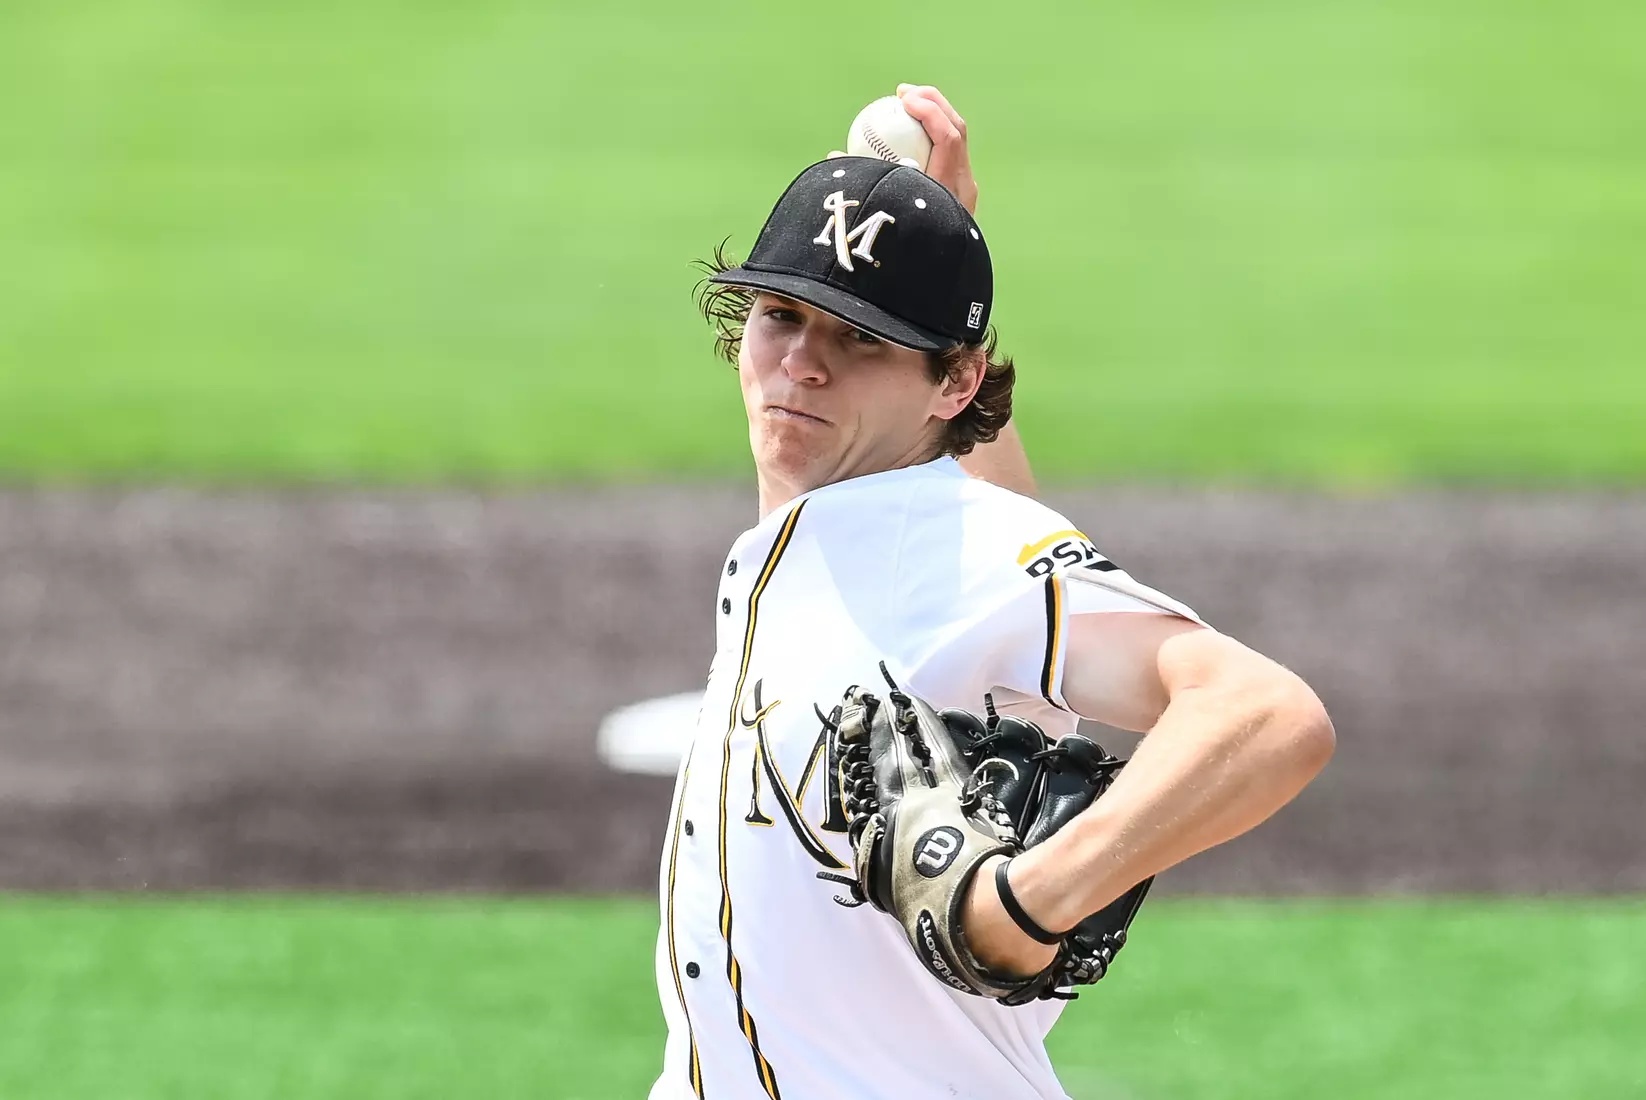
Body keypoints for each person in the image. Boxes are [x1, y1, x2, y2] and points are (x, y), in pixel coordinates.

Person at [651, 85, 1334, 1100]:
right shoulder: (825, 546)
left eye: (860, 338)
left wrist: (1023, 901)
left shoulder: (961, 552)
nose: (801, 363)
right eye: (781, 314)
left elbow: (1267, 714)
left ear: (955, 380)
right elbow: (959, 526)